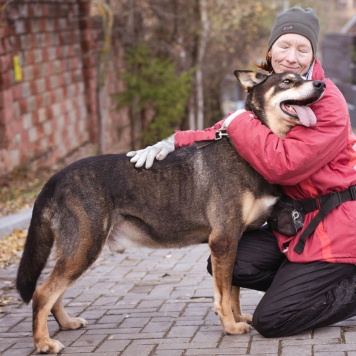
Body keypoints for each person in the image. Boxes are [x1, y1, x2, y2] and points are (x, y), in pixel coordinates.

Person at [126, 6, 356, 337]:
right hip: (296, 227)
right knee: (232, 260)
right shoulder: (274, 90)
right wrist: (172, 141)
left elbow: (285, 166)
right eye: (284, 46)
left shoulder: (324, 101)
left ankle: (342, 288)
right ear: (271, 49)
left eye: (302, 48)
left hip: (334, 232)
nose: (291, 57)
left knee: (273, 320)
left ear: (313, 54)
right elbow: (225, 129)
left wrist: (238, 120)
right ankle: (301, 285)